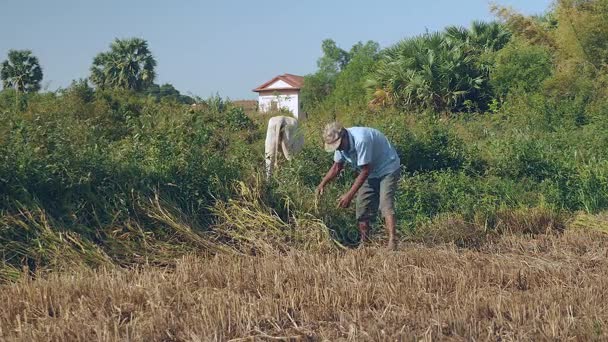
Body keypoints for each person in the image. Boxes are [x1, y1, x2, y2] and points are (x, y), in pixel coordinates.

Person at [316, 122, 401, 250]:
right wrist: (322, 184)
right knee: (362, 206)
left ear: (344, 135)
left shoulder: (361, 140)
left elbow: (366, 170)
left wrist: (349, 195)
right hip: (370, 171)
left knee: (385, 203)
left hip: (387, 168)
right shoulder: (341, 147)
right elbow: (337, 166)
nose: (338, 149)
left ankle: (392, 242)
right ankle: (365, 243)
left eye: (338, 145)